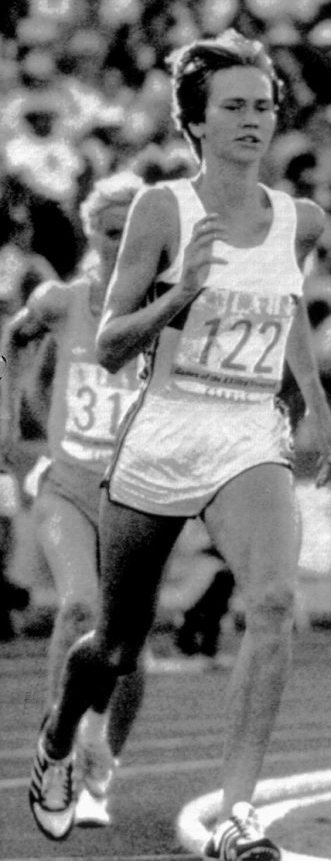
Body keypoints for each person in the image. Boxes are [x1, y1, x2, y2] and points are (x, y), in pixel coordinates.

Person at [27, 29, 331, 860]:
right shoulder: (162, 210)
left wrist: (313, 402)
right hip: (166, 425)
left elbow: (288, 308)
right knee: (116, 643)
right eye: (233, 106)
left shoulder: (298, 219)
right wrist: (182, 294)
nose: (253, 119)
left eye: (263, 105)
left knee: (272, 602)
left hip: (249, 429)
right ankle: (58, 738)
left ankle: (239, 811)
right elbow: (109, 344)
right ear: (196, 121)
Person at [0, 172, 146, 828]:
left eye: (135, 234)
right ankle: (57, 747)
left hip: (142, 499)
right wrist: (8, 416)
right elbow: (14, 340)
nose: (123, 245)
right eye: (112, 233)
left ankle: (101, 767)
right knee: (81, 606)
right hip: (68, 487)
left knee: (130, 647)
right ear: (93, 234)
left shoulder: (166, 311)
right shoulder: (62, 301)